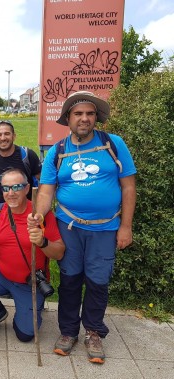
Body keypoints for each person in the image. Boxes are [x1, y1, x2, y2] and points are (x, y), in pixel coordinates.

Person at [31, 91, 137, 364]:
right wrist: (40, 216)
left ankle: (93, 331)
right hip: (69, 227)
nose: (84, 118)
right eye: (78, 114)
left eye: (90, 113)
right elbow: (45, 192)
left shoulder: (114, 144)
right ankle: (68, 332)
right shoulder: (58, 151)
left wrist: (125, 226)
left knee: (98, 281)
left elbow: (128, 187)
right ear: (68, 118)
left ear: (96, 118)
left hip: (105, 228)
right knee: (70, 280)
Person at [0, 169, 65, 341]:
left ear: (27, 189)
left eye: (17, 187)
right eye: (6, 188)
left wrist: (42, 242)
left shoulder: (41, 215)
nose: (11, 193)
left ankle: (25, 309)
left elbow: (59, 253)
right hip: (0, 272)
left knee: (25, 334)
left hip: (29, 280)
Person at [0, 121, 41, 204]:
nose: (3, 138)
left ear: (14, 136)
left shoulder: (27, 155)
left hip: (24, 211)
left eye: (7, 134)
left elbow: (42, 180)